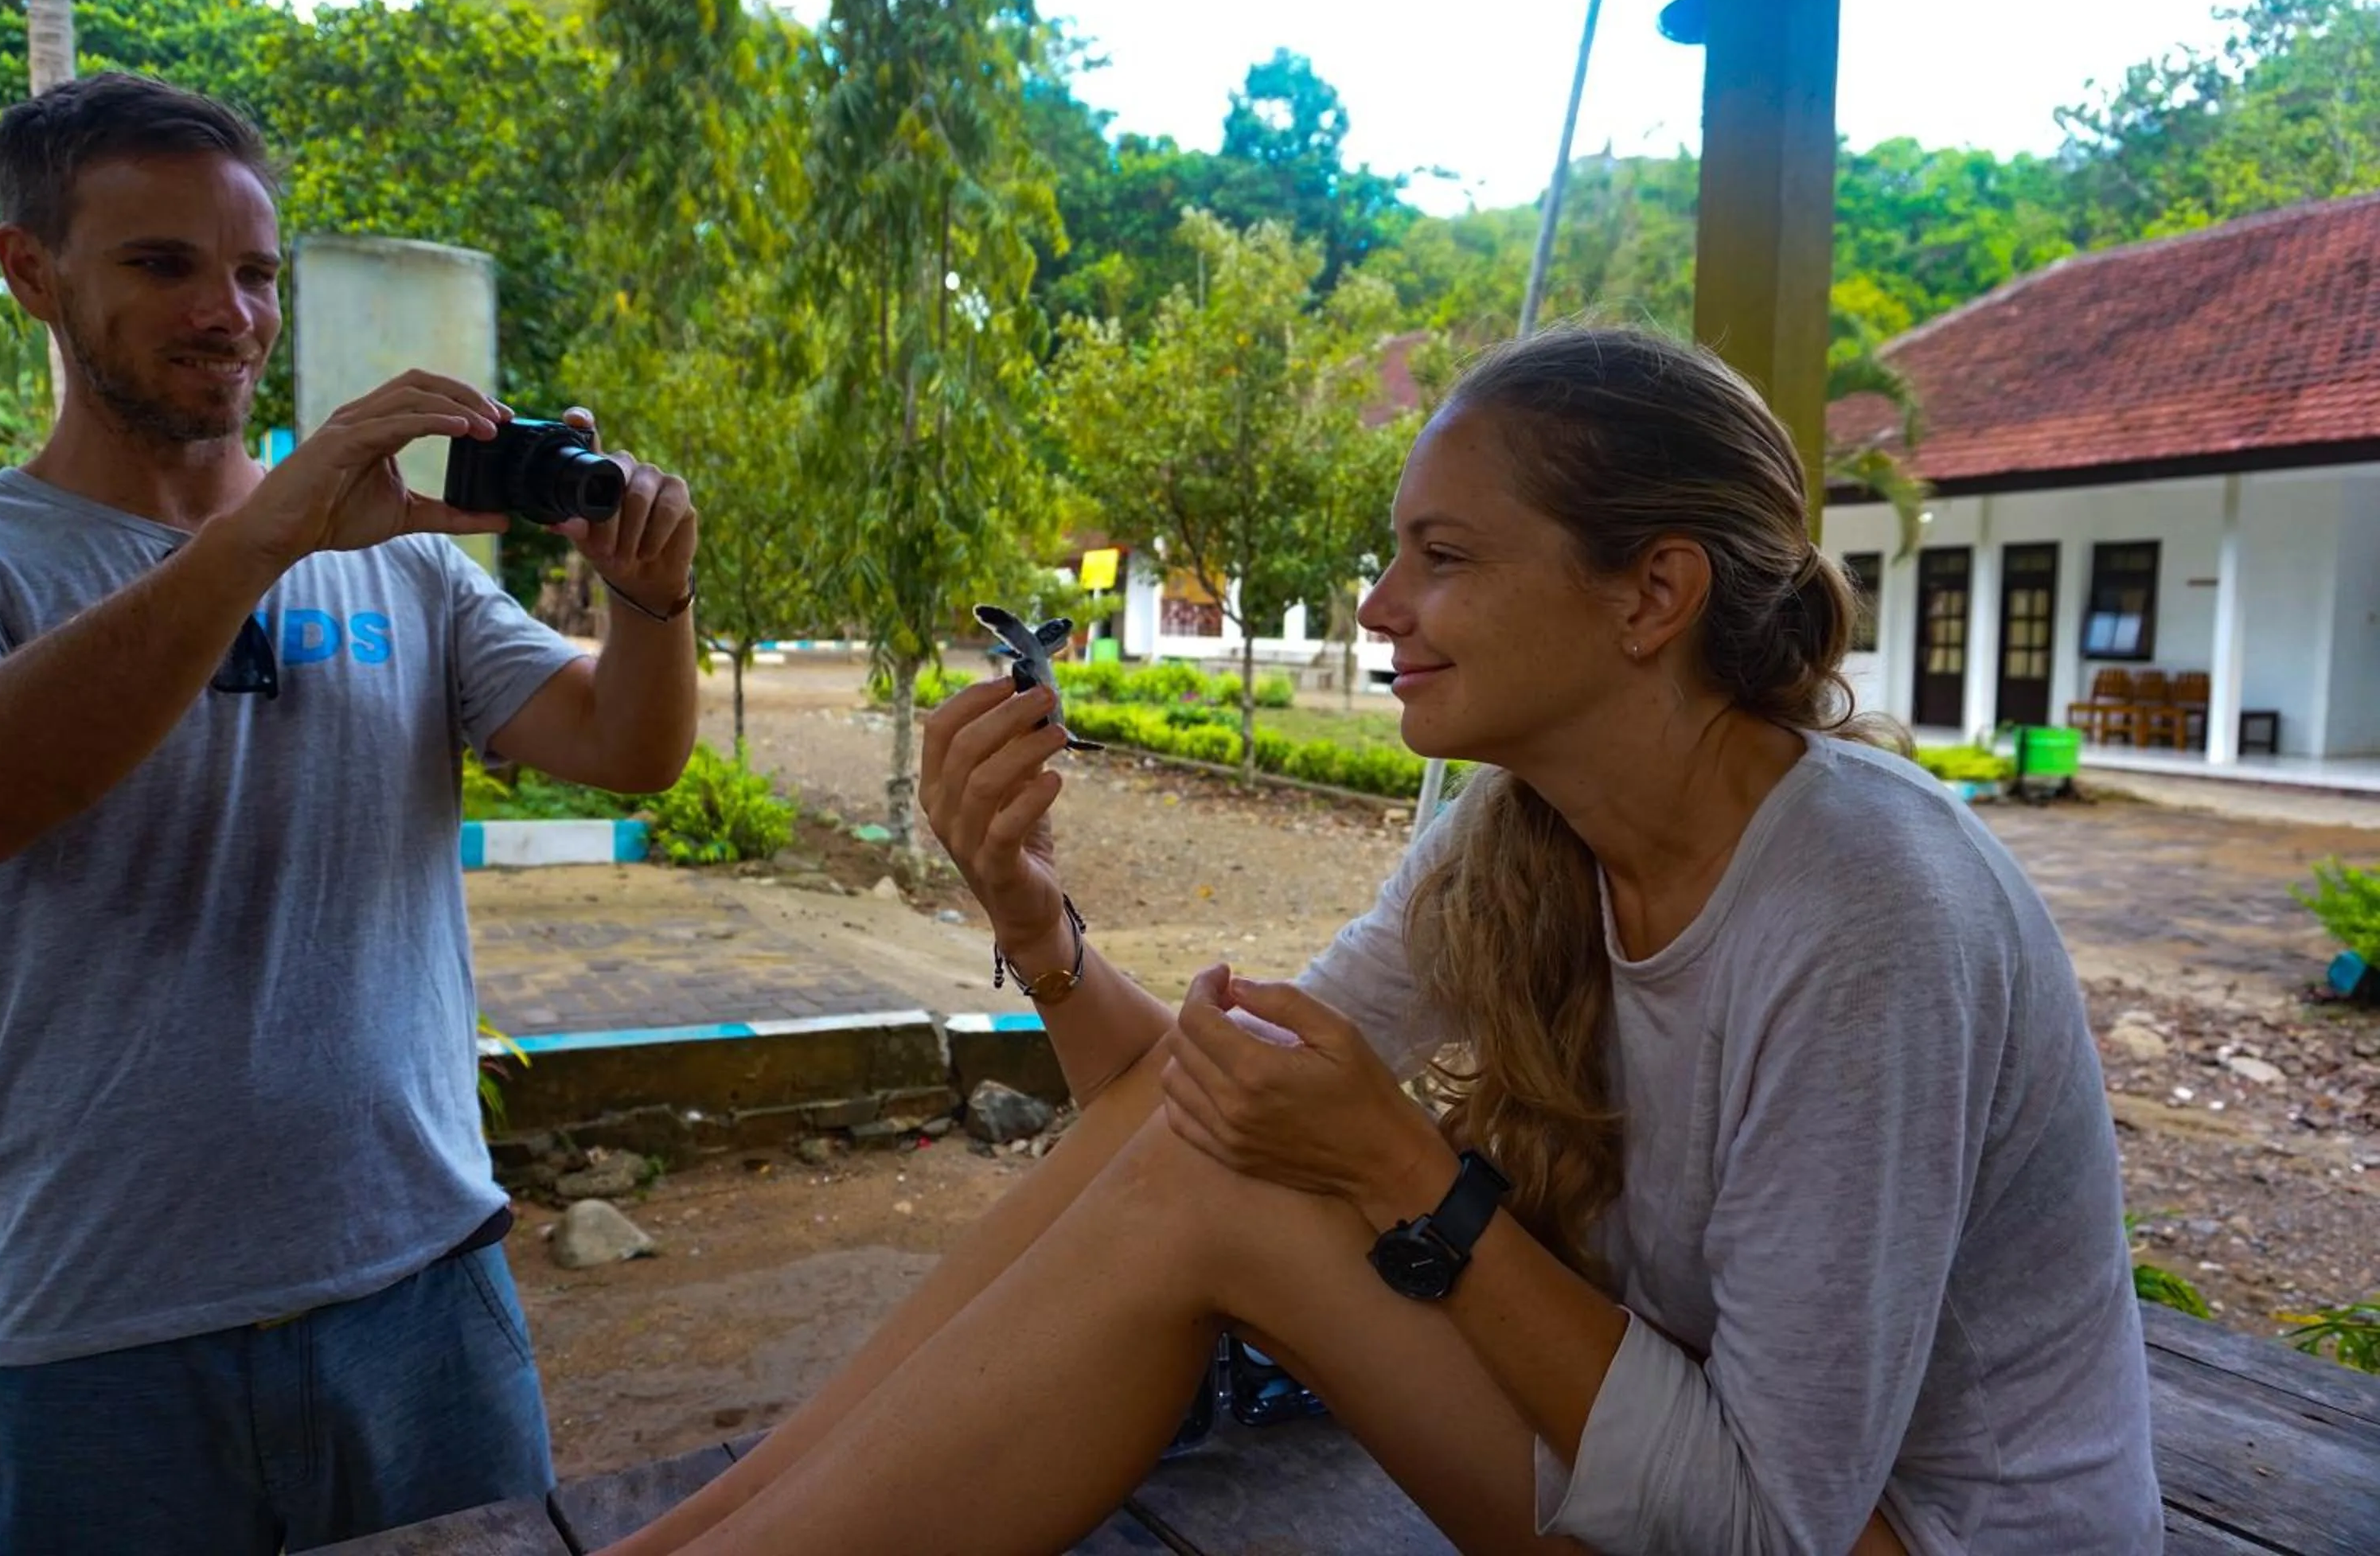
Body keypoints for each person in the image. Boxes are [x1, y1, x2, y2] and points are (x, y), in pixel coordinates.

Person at [614, 322, 2160, 1556]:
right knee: (1201, 1146)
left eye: (1446, 555)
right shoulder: (1527, 832)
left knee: (1229, 1197)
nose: (1376, 604)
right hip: (1686, 1474)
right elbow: (1193, 1107)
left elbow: (1769, 1523)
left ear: (1654, 594)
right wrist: (1033, 916)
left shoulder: (1865, 911)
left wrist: (1408, 1176)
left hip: (1862, 1534)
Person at [0, 72, 702, 1552]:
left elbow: (627, 751)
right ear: (30, 272)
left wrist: (652, 596)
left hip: (425, 1289)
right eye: (163, 265)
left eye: (253, 272)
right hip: (92, 1324)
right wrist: (264, 535)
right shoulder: (19, 554)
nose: (231, 314)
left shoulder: (402, 563)